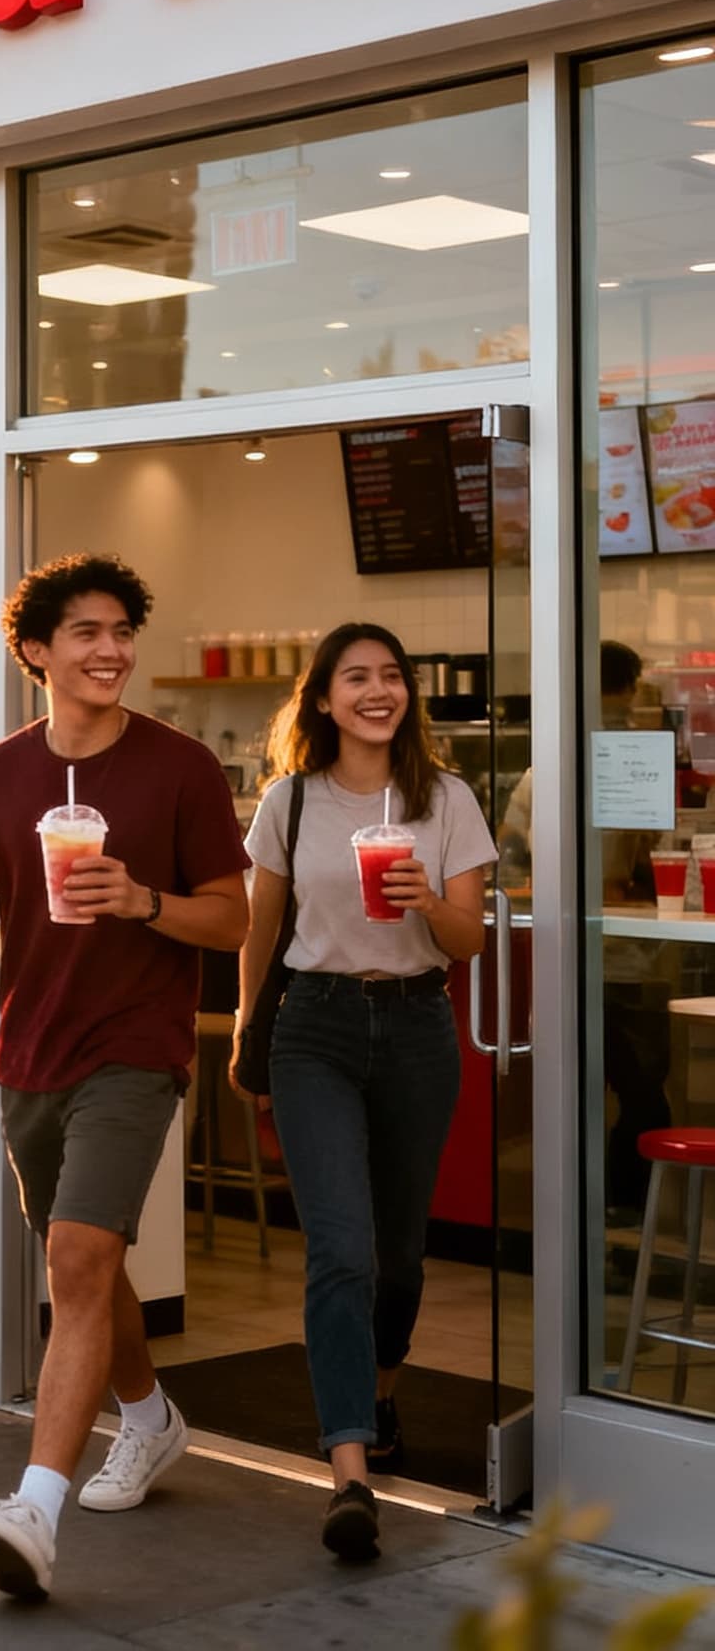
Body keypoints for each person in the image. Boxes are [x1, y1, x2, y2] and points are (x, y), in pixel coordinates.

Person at [0, 555, 250, 1602]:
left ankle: (32, 1503)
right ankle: (148, 1415)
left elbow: (229, 914)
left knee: (78, 1253)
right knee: (86, 1265)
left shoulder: (178, 768)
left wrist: (140, 900)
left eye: (121, 629)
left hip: (132, 1047)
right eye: (84, 631)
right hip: (27, 1048)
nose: (109, 648)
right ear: (33, 650)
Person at [235, 623, 494, 1562]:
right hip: (316, 1027)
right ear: (323, 697)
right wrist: (244, 1027)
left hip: (419, 1027)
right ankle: (349, 1471)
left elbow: (466, 943)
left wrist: (431, 901)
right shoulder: (289, 803)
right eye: (357, 677)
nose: (377, 691)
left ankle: (382, 1390)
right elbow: (261, 929)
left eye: (391, 677)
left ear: (408, 696)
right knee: (338, 1247)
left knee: (399, 1254)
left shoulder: (448, 800)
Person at [499, 640, 672, 1218]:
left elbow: (511, 857)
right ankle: (614, 1219)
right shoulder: (641, 758)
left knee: (598, 1096)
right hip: (624, 961)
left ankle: (590, 1222)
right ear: (627, 688)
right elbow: (656, 862)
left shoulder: (541, 769)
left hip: (573, 959)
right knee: (645, 1098)